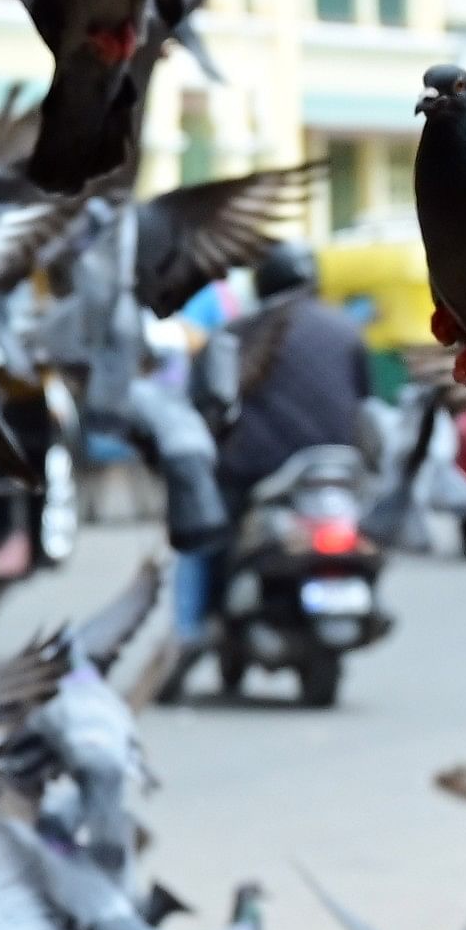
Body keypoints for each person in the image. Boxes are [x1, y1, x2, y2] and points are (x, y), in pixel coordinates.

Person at [181, 242, 372, 645]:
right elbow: (363, 401)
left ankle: (192, 630)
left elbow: (206, 401)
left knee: (201, 535)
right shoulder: (345, 329)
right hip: (337, 469)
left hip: (259, 468)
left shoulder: (241, 332)